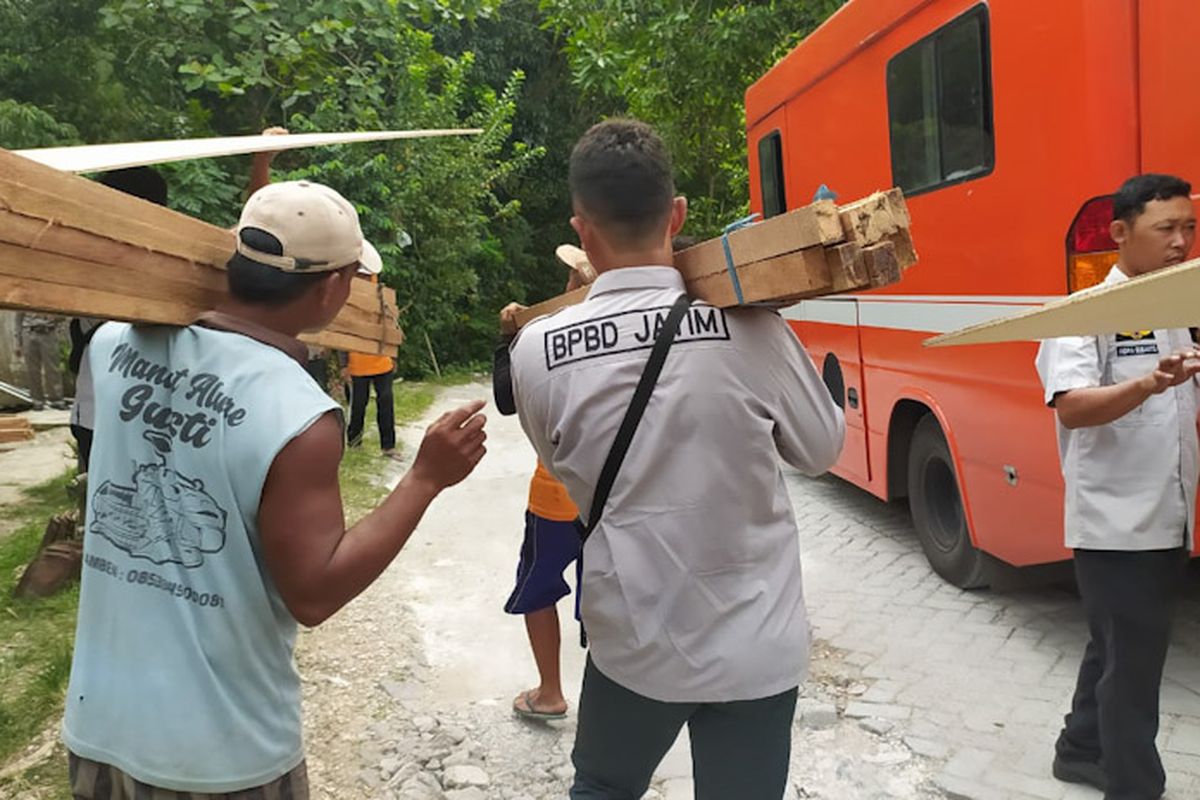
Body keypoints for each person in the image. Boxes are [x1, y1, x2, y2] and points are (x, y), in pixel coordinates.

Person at [62, 180, 488, 798]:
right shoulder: (297, 415)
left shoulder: (110, 347)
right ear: (334, 287)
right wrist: (425, 479)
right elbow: (313, 595)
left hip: (100, 728)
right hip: (224, 753)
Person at [508, 119, 845, 799]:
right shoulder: (757, 328)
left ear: (582, 229)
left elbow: (566, 474)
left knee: (603, 785)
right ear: (679, 214)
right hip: (758, 642)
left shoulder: (536, 350)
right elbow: (820, 450)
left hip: (635, 638)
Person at [1036, 173, 1199, 799]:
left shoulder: (1179, 310)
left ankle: (1079, 751)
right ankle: (1135, 787)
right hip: (1115, 525)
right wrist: (1145, 385)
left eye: (1189, 227)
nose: (1181, 241)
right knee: (1134, 672)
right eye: (1166, 229)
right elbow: (1072, 406)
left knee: (1114, 648)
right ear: (1121, 234)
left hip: (1166, 513)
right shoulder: (1086, 314)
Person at [495, 257, 594, 721]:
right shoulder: (637, 330)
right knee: (604, 597)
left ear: (577, 282)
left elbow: (505, 401)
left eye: (572, 273)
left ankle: (551, 692)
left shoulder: (545, 337)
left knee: (539, 589)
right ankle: (606, 702)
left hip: (553, 496)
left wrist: (508, 340)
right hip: (610, 499)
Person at [343, 243, 399, 459]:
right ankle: (354, 442)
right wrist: (344, 365)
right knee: (358, 404)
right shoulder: (349, 296)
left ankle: (388, 446)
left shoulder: (381, 295)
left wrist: (392, 355)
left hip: (381, 358)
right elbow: (345, 332)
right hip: (357, 361)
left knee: (386, 402)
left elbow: (390, 325)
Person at [15, 311, 67, 410]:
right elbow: (18, 319)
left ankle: (56, 400)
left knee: (53, 368)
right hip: (29, 332)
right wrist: (18, 342)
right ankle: (37, 401)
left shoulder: (50, 296)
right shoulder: (24, 297)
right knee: (32, 370)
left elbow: (65, 314)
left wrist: (56, 316)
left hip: (48, 332)